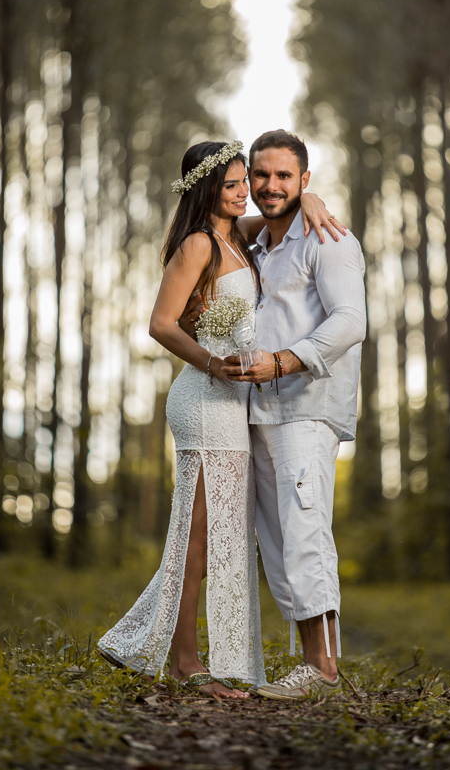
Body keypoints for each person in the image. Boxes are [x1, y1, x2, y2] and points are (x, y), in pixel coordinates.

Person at [97, 140, 343, 699]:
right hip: (204, 401)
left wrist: (314, 199)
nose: (246, 191)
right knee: (199, 539)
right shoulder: (198, 245)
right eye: (233, 184)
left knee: (224, 536)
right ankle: (184, 663)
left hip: (236, 406)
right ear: (209, 188)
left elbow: (287, 204)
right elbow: (161, 324)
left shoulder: (240, 238)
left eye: (244, 183)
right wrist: (210, 361)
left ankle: (171, 648)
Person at [224, 130, 366, 700]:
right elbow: (230, 223)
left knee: (306, 529)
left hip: (307, 407)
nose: (270, 186)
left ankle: (324, 668)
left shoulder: (328, 239)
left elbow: (351, 320)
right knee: (278, 540)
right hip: (259, 413)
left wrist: (285, 361)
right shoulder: (260, 246)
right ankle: (308, 664)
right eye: (261, 175)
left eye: (285, 176)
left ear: (306, 180)